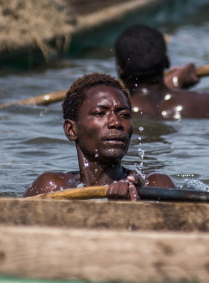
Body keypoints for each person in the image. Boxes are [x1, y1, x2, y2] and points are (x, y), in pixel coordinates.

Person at [23, 72, 175, 199]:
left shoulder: (154, 185)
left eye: (124, 114)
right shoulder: (51, 187)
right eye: (100, 113)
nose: (116, 122)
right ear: (71, 130)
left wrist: (138, 206)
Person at [114, 25, 209, 119]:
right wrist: (175, 84)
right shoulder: (207, 103)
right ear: (167, 62)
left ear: (120, 70)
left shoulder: (116, 112)